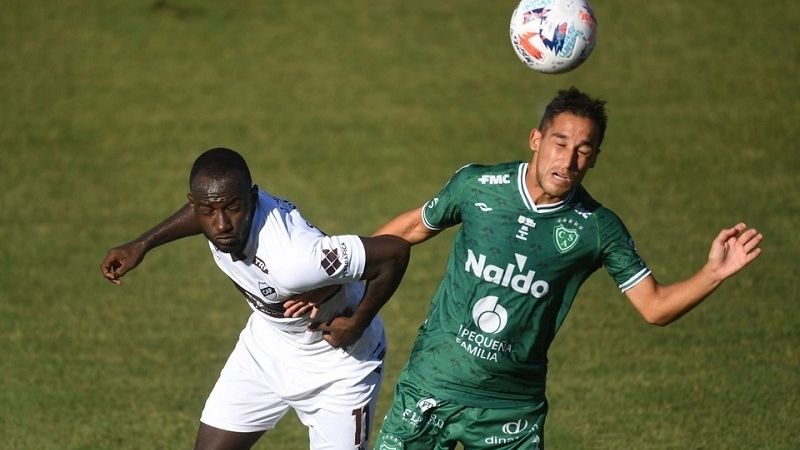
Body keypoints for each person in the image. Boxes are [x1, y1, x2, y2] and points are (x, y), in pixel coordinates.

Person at [367, 87, 763, 449]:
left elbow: (654, 306)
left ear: (595, 158)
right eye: (560, 143)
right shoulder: (477, 186)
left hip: (511, 411)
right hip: (431, 384)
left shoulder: (597, 227)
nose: (569, 160)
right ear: (536, 140)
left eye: (584, 150)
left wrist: (713, 272)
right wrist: (343, 279)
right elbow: (412, 227)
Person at [100, 147, 410, 450]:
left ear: (251, 198)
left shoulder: (294, 259)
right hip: (267, 350)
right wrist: (142, 244)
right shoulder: (218, 215)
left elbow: (393, 255)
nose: (221, 225)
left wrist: (357, 323)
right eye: (208, 211)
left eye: (232, 208)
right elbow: (210, 206)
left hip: (339, 366)